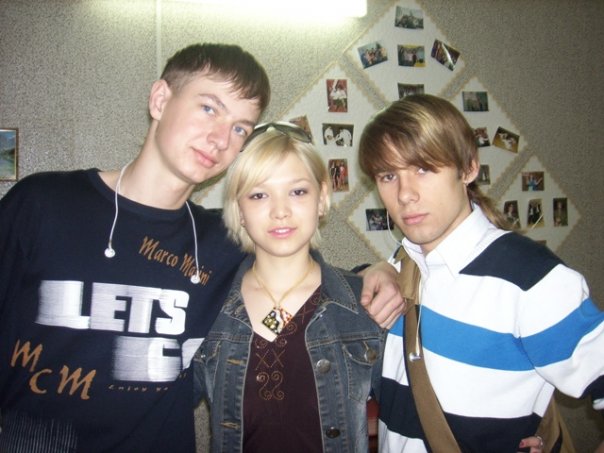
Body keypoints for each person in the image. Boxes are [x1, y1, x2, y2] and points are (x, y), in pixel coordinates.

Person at [0, 43, 402, 453]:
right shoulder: (42, 205)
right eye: (209, 108)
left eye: (240, 128)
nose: (221, 138)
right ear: (160, 100)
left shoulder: (220, 240)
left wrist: (381, 269)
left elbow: (297, 263)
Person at [358, 94, 604, 452]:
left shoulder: (531, 280)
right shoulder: (402, 270)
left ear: (469, 168)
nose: (405, 194)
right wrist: (374, 270)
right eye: (388, 175)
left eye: (423, 169)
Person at [193, 122, 384, 452]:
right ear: (239, 210)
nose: (280, 211)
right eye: (259, 195)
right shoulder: (207, 307)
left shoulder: (367, 303)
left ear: (321, 199)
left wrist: (396, 267)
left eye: (297, 192)